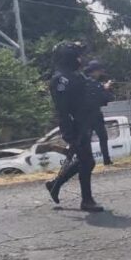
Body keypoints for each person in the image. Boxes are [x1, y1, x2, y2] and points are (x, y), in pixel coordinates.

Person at [44, 42, 104, 212]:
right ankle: (86, 201)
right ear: (69, 57)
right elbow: (63, 109)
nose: (80, 59)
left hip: (84, 122)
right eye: (77, 56)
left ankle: (55, 184)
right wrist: (70, 131)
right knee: (87, 161)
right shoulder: (61, 79)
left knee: (85, 160)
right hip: (74, 125)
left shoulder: (75, 75)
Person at [85, 60, 115, 165]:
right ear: (94, 71)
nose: (100, 73)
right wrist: (105, 87)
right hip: (92, 114)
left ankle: (103, 159)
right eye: (99, 71)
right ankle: (104, 159)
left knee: (98, 137)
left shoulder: (88, 82)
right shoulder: (91, 82)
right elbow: (102, 95)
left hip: (89, 114)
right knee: (98, 137)